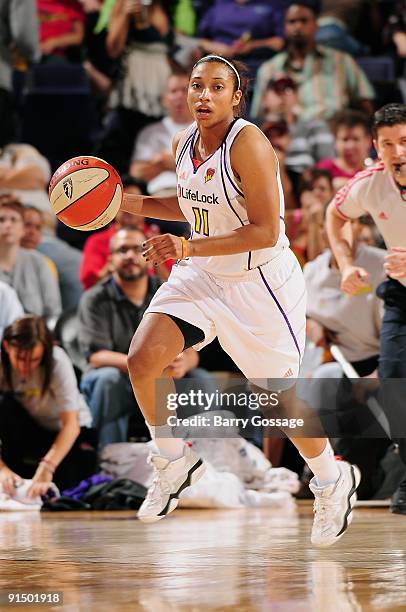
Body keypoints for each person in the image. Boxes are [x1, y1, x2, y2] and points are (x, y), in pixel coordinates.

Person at [118, 54, 360, 547]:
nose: (202, 95)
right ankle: (172, 459)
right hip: (203, 274)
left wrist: (184, 245)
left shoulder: (248, 142)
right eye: (195, 86)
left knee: (279, 400)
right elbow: (189, 206)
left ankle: (333, 481)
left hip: (259, 283)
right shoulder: (182, 144)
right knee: (142, 360)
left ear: (236, 97)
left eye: (215, 87)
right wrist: (127, 202)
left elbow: (266, 230)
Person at [325, 103, 406, 514]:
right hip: (401, 295)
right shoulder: (370, 183)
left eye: (405, 141)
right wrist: (345, 264)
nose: (398, 152)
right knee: (391, 386)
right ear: (377, 147)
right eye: (389, 144)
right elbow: (334, 215)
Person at [78, 226, 209, 449]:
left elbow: (193, 349)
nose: (130, 256)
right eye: (122, 250)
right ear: (110, 259)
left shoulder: (168, 290)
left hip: (163, 376)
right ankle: (111, 464)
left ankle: (200, 460)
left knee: (200, 379)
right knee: (106, 380)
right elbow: (96, 357)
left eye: (137, 249)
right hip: (118, 379)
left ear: (149, 255)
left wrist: (184, 362)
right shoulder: (94, 299)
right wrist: (146, 366)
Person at [0, 315, 96, 496]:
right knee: (5, 405)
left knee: (67, 488)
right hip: (32, 429)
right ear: (6, 347)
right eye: (19, 358)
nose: (25, 367)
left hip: (71, 433)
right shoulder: (2, 366)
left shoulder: (57, 361)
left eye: (34, 360)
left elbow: (71, 425)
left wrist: (47, 466)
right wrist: (2, 469)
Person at [250, 1, 375, 122]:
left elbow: (365, 105)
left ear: (316, 25)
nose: (298, 26)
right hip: (289, 138)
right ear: (284, 28)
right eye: (292, 21)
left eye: (304, 21)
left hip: (333, 135)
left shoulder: (342, 61)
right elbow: (258, 117)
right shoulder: (269, 69)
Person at [0, 200, 62, 320]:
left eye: (14, 220)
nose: (8, 225)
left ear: (22, 228)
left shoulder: (40, 262)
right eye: (1, 220)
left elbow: (54, 312)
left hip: (36, 335)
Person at [317, 110, 373, 191]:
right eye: (345, 139)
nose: (349, 146)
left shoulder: (376, 171)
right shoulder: (324, 169)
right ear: (335, 140)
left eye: (355, 139)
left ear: (368, 141)